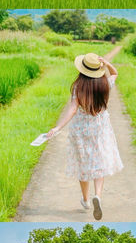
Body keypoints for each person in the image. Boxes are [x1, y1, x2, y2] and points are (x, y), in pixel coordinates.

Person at [46, 52, 123, 220]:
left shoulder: (78, 87)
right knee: (99, 162)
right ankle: (98, 196)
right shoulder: (105, 84)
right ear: (97, 69)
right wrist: (107, 64)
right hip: (100, 128)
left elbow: (73, 109)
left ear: (82, 69)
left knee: (83, 165)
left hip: (81, 131)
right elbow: (115, 73)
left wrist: (58, 127)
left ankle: (86, 200)